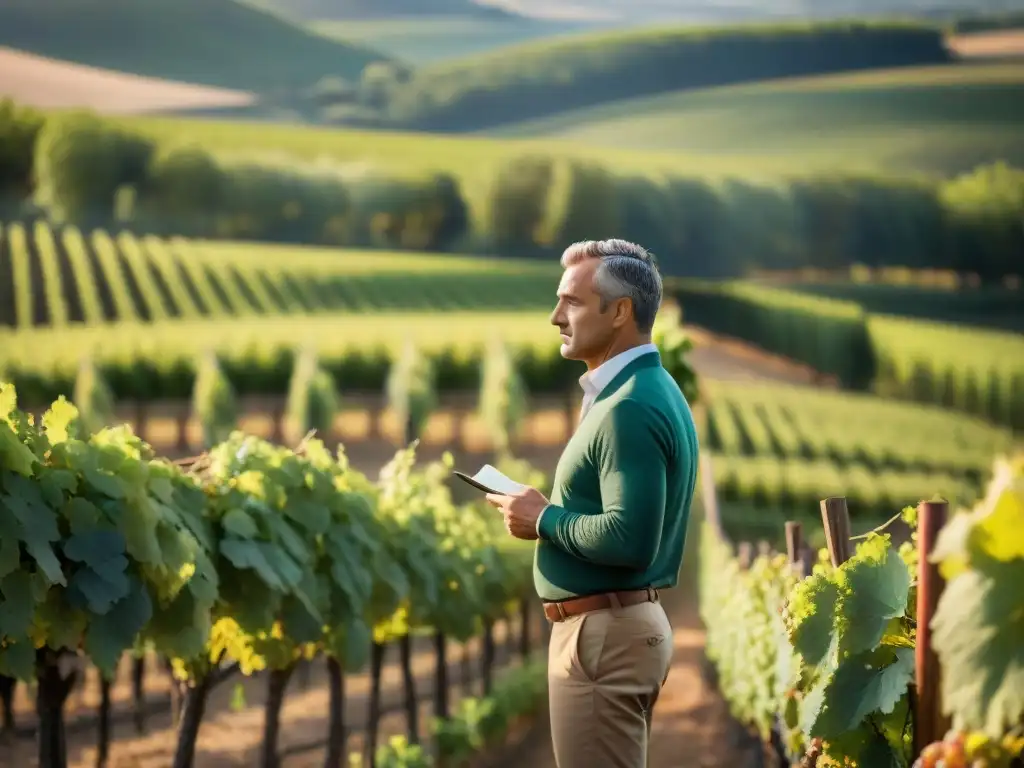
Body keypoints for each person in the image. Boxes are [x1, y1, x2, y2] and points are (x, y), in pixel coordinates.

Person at [486, 239, 699, 768]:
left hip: (602, 639)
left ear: (620, 311)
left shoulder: (627, 406)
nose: (556, 317)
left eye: (573, 302)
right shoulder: (649, 388)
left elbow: (629, 539)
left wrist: (543, 518)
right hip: (614, 632)